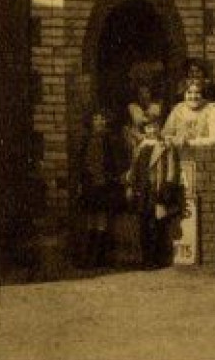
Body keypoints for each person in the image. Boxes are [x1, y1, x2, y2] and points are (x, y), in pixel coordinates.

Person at [124, 121, 183, 269]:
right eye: (148, 128)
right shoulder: (140, 147)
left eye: (154, 127)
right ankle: (146, 259)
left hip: (156, 190)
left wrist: (165, 193)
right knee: (143, 225)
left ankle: (157, 258)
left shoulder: (165, 146)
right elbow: (133, 169)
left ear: (159, 129)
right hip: (142, 191)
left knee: (157, 225)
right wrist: (130, 185)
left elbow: (171, 172)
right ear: (144, 130)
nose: (151, 130)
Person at [75, 109, 129, 269]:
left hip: (105, 184)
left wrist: (114, 178)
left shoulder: (112, 139)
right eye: (96, 119)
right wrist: (80, 183)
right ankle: (89, 256)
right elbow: (81, 163)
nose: (99, 122)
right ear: (91, 122)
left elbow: (119, 162)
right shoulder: (86, 140)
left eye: (102, 119)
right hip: (89, 184)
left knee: (102, 219)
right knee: (90, 219)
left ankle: (99, 257)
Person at [161, 78, 215, 147]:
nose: (193, 96)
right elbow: (166, 134)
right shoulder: (179, 108)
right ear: (184, 94)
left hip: (205, 153)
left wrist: (188, 142)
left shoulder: (212, 109)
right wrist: (170, 139)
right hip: (179, 154)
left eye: (197, 92)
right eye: (189, 92)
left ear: (203, 94)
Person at [125, 82, 164, 150]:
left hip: (153, 136)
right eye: (141, 93)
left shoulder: (155, 107)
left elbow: (157, 122)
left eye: (146, 93)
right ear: (137, 95)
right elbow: (138, 122)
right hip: (138, 137)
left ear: (150, 94)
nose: (144, 96)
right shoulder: (133, 107)